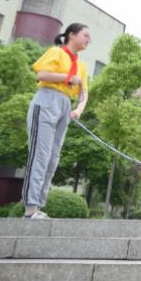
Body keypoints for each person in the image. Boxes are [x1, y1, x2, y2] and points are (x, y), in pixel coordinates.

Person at [22, 23, 91, 219]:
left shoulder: (82, 66)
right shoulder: (56, 52)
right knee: (40, 156)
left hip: (65, 106)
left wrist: (78, 109)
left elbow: (84, 94)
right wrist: (69, 78)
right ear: (72, 35)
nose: (88, 40)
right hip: (46, 100)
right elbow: (41, 74)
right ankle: (30, 208)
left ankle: (38, 207)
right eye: (85, 35)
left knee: (52, 159)